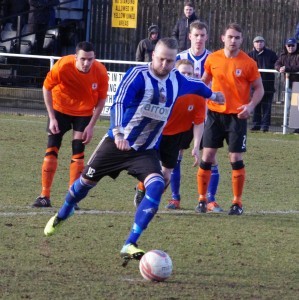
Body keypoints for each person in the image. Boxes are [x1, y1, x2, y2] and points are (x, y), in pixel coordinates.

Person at [43, 38, 224, 265]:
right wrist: (118, 133)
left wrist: (213, 95)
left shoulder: (176, 80)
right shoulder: (138, 75)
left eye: (170, 60)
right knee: (84, 184)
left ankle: (130, 242)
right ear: (153, 56)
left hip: (145, 150)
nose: (165, 64)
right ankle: (64, 212)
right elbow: (118, 102)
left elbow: (196, 86)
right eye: (161, 59)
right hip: (116, 144)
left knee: (158, 184)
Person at [196, 23, 264, 215]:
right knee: (207, 156)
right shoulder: (212, 58)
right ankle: (202, 199)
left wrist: (250, 106)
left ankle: (237, 202)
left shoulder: (248, 63)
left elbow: (259, 88)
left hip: (237, 116)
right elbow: (204, 82)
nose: (233, 40)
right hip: (215, 115)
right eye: (230, 37)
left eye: (237, 38)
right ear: (222, 38)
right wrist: (198, 93)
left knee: (235, 157)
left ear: (242, 40)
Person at [32, 41, 109, 210]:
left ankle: (72, 197)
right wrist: (52, 117)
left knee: (78, 151)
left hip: (84, 113)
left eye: (90, 59)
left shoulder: (100, 71)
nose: (87, 63)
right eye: (83, 59)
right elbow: (46, 88)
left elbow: (102, 99)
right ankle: (44, 195)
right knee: (51, 149)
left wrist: (91, 126)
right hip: (60, 110)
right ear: (76, 57)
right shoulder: (63, 65)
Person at [134, 59, 206, 210]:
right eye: (183, 73)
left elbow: (199, 122)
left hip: (176, 136)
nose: (186, 76)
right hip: (156, 133)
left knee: (166, 176)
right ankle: (142, 188)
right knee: (151, 169)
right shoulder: (166, 90)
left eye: (190, 73)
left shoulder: (199, 95)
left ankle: (152, 197)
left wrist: (196, 146)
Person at [170, 20, 222, 212]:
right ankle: (175, 198)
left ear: (207, 37)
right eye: (196, 35)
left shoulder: (214, 59)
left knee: (209, 158)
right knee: (176, 155)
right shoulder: (179, 58)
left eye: (202, 35)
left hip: (206, 116)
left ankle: (210, 200)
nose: (199, 39)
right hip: (181, 116)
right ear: (189, 36)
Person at [248, 36, 278, 132]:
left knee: (267, 107)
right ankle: (256, 125)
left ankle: (265, 126)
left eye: (261, 42)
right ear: (254, 44)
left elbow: (278, 63)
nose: (259, 43)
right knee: (256, 105)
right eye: (257, 42)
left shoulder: (271, 54)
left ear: (264, 43)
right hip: (254, 86)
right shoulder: (250, 55)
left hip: (268, 85)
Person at [275, 37, 299, 133]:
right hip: (289, 85)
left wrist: (286, 68)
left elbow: (297, 67)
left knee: (296, 107)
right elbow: (277, 64)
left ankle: (297, 128)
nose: (290, 47)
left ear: (296, 45)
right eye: (289, 45)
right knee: (290, 107)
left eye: (292, 45)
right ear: (286, 46)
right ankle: (294, 128)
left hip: (297, 84)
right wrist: (279, 68)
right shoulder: (283, 55)